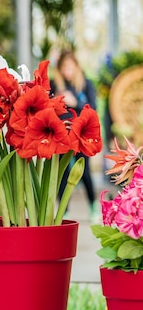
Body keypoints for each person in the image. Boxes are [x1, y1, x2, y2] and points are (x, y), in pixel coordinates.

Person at [50, 50, 99, 221]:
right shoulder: (54, 85)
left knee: (84, 172)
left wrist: (75, 102)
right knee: (63, 172)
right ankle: (64, 211)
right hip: (61, 134)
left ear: (77, 67)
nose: (67, 71)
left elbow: (93, 108)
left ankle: (93, 206)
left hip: (81, 135)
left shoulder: (86, 84)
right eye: (64, 67)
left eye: (70, 67)